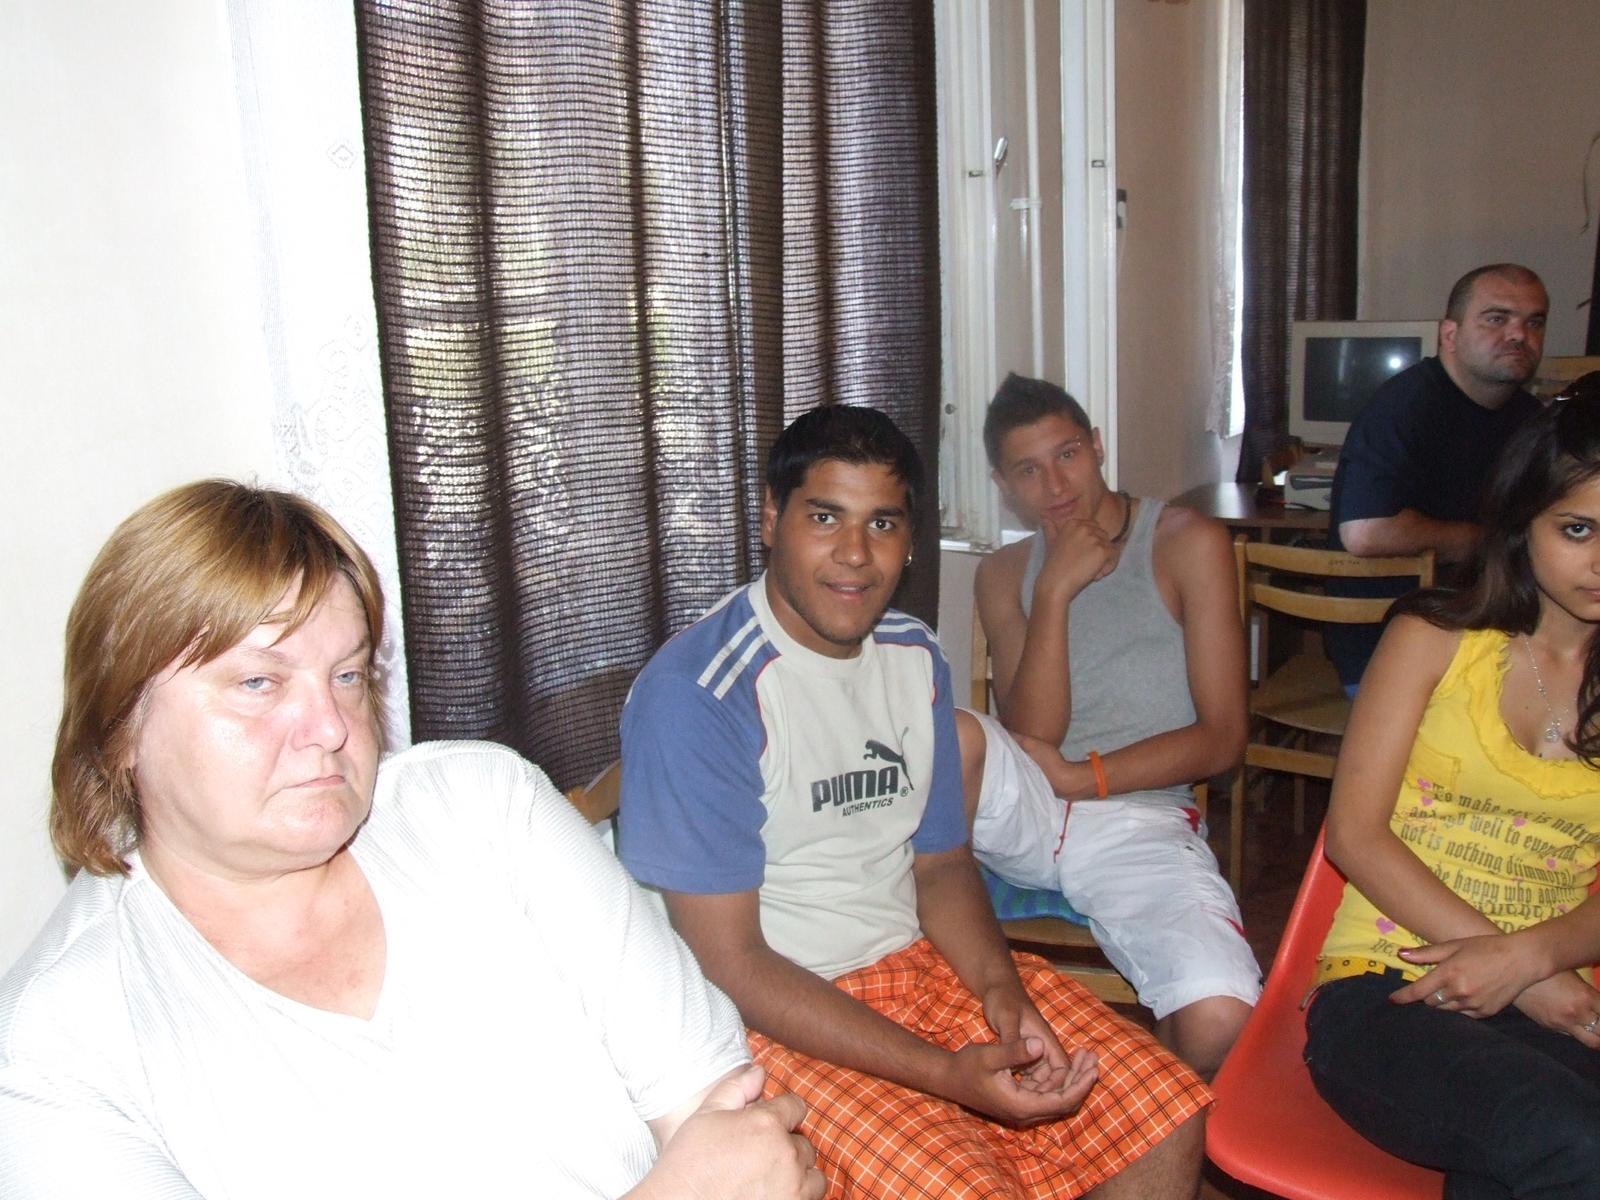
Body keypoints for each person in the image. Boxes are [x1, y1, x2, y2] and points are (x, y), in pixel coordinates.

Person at [0, 480, 823, 1200]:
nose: (331, 727)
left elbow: (729, 1120)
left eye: (348, 675)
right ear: (121, 725)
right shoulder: (56, 1050)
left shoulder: (482, 806)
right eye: (258, 682)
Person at [618, 405, 1209, 1199]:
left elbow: (941, 864)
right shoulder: (700, 695)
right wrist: (944, 1074)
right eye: (824, 517)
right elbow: (732, 964)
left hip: (917, 967)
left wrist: (1002, 994)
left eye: (883, 523)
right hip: (778, 1014)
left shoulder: (913, 653)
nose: (855, 554)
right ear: (771, 517)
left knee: (1164, 1117)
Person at [1307, 377, 1600, 1198]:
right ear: (1521, 523)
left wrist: (1532, 961)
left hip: (1551, 989)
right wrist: (1528, 977)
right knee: (1575, 1143)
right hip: (1386, 985)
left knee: (1551, 1147)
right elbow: (1354, 835)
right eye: (1577, 529)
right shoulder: (1433, 636)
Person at [959, 373, 1258, 1077]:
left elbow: (1223, 738)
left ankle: (1136, 1117)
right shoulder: (1003, 572)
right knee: (957, 733)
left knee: (1220, 1018)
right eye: (1028, 470)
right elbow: (1033, 731)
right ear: (1004, 485)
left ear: (1097, 446)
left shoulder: (1185, 542)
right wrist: (1055, 590)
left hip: (1136, 816)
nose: (1055, 485)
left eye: (1067, 455)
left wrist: (1081, 778)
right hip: (1023, 807)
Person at [1325, 263, 1549, 689]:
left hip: (1486, 633)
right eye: (1496, 319)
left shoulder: (1530, 418)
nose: (1519, 335)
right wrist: (1485, 541)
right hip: (1390, 652)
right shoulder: (1405, 406)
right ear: (1449, 335)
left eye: (1534, 322)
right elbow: (1366, 533)